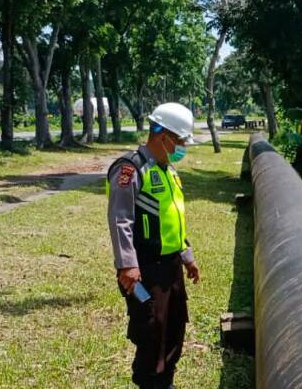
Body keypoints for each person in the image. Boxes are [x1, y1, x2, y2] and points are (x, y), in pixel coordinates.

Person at [107, 102, 201, 389]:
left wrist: (187, 256)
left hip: (170, 267)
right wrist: (128, 265)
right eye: (181, 140)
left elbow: (173, 220)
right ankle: (150, 382)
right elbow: (120, 219)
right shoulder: (131, 169)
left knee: (174, 325)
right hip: (144, 270)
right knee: (151, 328)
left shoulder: (167, 172)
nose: (182, 146)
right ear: (164, 136)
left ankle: (165, 381)